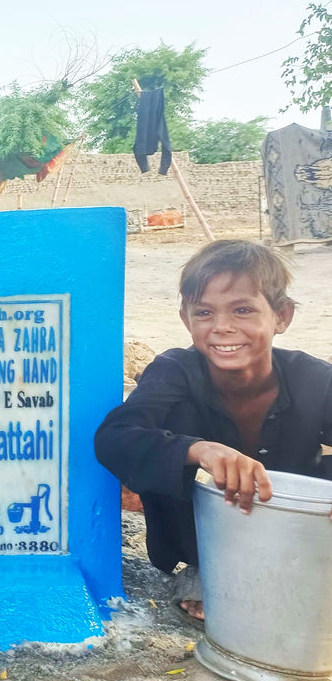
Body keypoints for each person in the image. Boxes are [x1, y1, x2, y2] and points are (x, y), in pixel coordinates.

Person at [95, 239, 332, 620]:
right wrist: (200, 450)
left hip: (294, 540)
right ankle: (210, 575)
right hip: (204, 546)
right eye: (204, 313)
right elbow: (113, 439)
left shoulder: (313, 379)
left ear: (281, 316)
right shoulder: (173, 372)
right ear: (186, 320)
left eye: (242, 310)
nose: (222, 327)